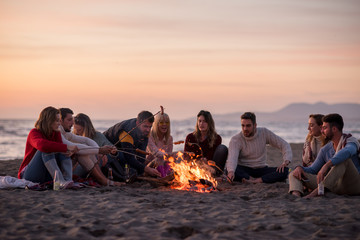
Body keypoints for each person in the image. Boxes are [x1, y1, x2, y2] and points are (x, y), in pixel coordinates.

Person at [289, 113, 360, 197]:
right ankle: (296, 196)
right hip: (333, 185)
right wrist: (299, 168)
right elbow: (312, 169)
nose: (322, 131)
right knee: (295, 173)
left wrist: (327, 165)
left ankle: (312, 195)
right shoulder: (325, 149)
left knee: (344, 160)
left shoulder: (350, 141)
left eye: (325, 128)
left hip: (353, 185)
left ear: (334, 129)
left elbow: (347, 151)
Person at [59, 108, 123, 186]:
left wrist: (101, 150)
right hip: (64, 170)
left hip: (75, 166)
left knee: (89, 153)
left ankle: (103, 179)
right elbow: (75, 147)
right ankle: (103, 180)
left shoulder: (67, 134)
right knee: (84, 153)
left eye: (79, 130)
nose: (72, 124)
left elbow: (86, 140)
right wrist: (99, 150)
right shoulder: (59, 134)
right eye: (69, 120)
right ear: (60, 121)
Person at [18, 106, 78, 186]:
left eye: (59, 120)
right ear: (49, 121)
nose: (59, 123)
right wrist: (66, 147)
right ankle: (60, 181)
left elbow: (60, 150)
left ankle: (67, 180)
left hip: (48, 175)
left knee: (61, 150)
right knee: (45, 149)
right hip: (29, 175)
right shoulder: (34, 133)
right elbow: (42, 145)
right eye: (57, 121)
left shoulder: (56, 132)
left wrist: (69, 152)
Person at [226, 112, 292, 183]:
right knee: (229, 169)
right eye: (243, 126)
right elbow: (232, 158)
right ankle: (253, 179)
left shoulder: (264, 132)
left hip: (261, 169)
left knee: (286, 171)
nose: (245, 129)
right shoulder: (236, 139)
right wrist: (231, 171)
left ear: (255, 125)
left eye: (248, 126)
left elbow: (284, 144)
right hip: (244, 169)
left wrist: (286, 161)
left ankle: (257, 180)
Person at [103, 111, 161, 177]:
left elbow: (141, 154)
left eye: (150, 127)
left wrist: (142, 171)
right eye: (145, 126)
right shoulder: (126, 132)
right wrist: (147, 169)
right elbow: (129, 157)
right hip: (107, 145)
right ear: (137, 123)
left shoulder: (146, 131)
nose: (148, 130)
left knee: (138, 164)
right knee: (123, 158)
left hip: (121, 147)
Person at [146, 113, 173, 177]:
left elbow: (169, 156)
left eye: (167, 122)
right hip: (150, 166)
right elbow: (155, 152)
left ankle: (167, 176)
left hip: (163, 165)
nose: (164, 124)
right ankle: (163, 177)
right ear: (156, 124)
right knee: (159, 158)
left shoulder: (169, 138)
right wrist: (166, 155)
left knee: (172, 162)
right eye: (161, 122)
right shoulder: (150, 136)